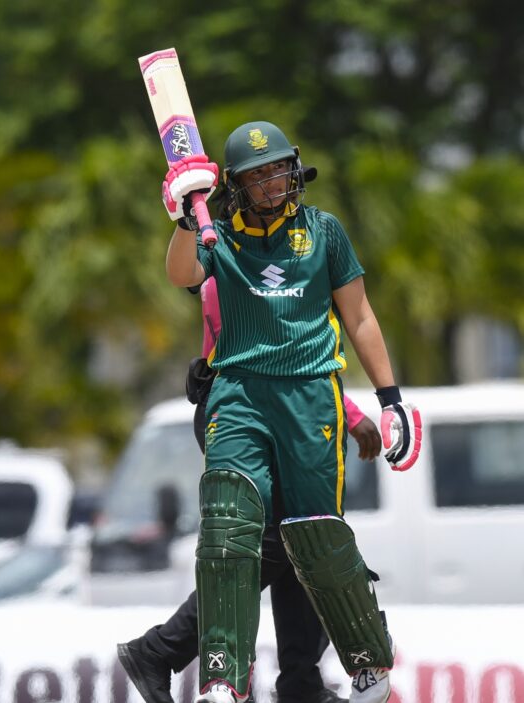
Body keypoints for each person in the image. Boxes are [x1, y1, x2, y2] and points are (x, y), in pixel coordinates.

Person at [162, 121, 422, 703]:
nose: (273, 182)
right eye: (258, 175)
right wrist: (183, 217)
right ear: (236, 185)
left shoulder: (323, 231)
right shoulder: (217, 235)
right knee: (229, 528)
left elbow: (359, 317)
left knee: (317, 534)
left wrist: (390, 399)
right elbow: (181, 274)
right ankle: (223, 677)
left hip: (311, 394)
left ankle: (368, 663)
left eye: (279, 169)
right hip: (239, 391)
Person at [118, 273, 383, 703]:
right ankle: (161, 649)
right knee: (277, 540)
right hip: (241, 408)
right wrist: (350, 413)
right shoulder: (232, 253)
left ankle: (301, 682)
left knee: (303, 533)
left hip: (272, 404)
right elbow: (273, 350)